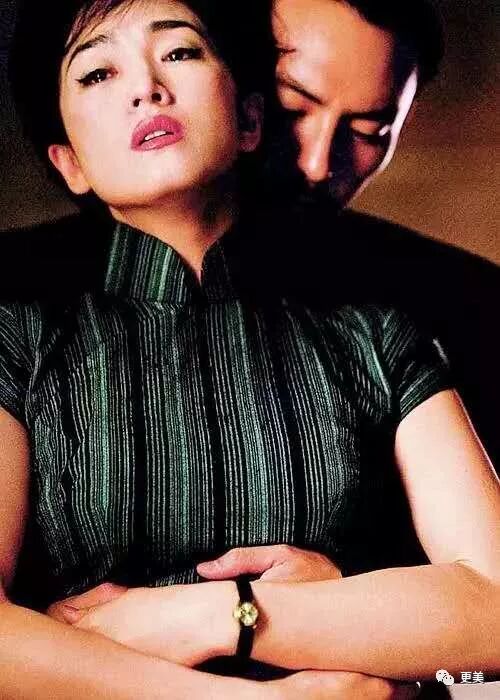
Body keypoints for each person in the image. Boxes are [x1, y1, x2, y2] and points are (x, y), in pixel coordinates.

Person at [1, 0, 499, 697]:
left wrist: (230, 615)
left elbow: (491, 614)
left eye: (180, 52)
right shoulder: (21, 325)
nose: (147, 88)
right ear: (68, 162)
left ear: (246, 118)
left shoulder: (388, 326)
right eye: (97, 73)